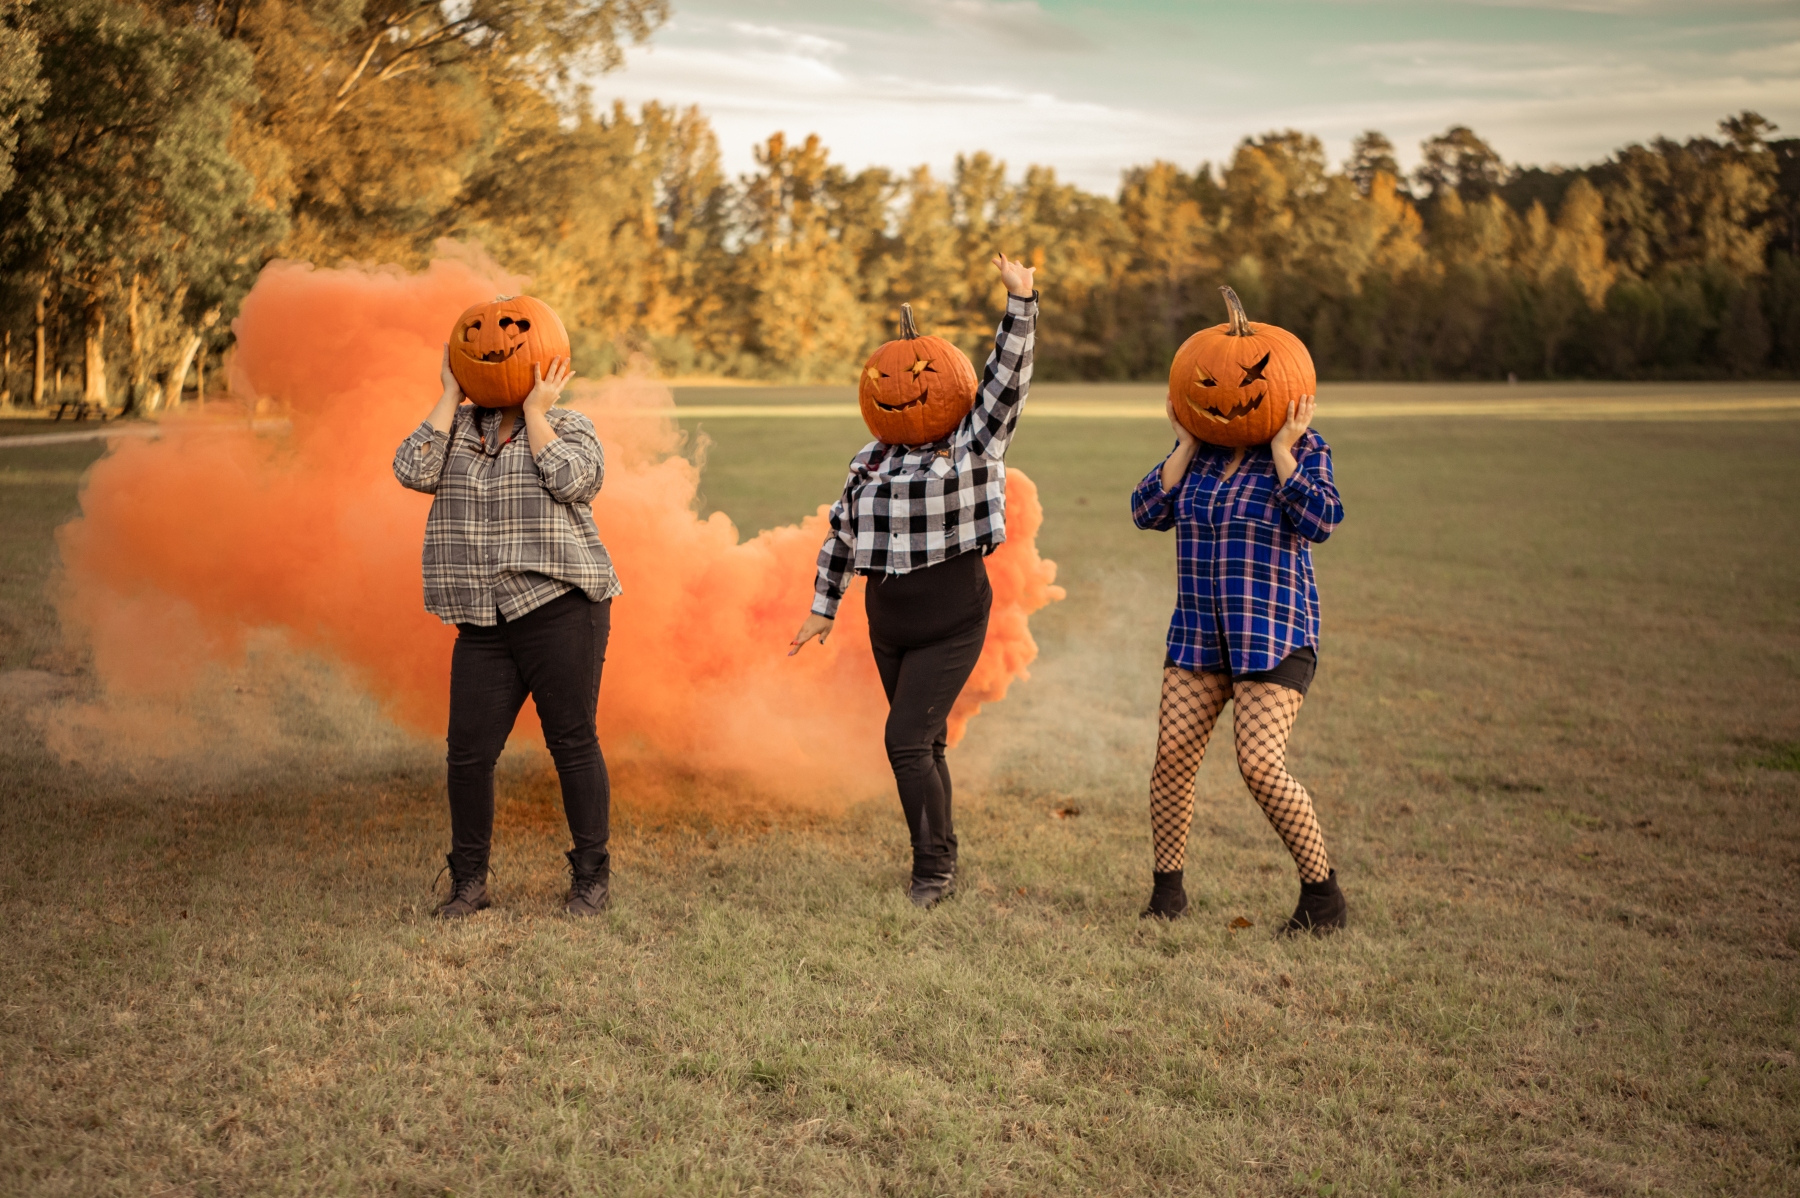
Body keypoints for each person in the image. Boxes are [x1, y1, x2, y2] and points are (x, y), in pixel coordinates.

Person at [790, 254, 1039, 909]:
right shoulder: (870, 459)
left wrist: (1020, 302)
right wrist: (823, 607)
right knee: (926, 741)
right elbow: (843, 532)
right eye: (882, 378)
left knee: (903, 741)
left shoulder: (975, 443)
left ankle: (932, 871)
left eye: (918, 374)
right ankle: (942, 853)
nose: (898, 386)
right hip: (890, 625)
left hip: (952, 620)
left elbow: (1007, 380)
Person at [393, 349, 620, 919]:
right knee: (467, 755)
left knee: (572, 742)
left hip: (560, 608)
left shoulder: (568, 425)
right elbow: (411, 469)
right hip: (482, 619)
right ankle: (469, 881)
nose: (496, 348)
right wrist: (450, 393)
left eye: (514, 338)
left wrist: (537, 413)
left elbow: (576, 482)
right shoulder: (456, 429)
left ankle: (591, 877)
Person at [1130, 393, 1348, 933]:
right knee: (1172, 759)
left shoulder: (1306, 448)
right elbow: (1145, 511)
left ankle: (1323, 897)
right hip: (1199, 635)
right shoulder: (1200, 455)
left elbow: (1321, 521)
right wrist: (1184, 444)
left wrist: (1282, 450)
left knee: (1260, 765)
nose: (1228, 393)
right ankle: (1167, 894)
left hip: (1272, 632)